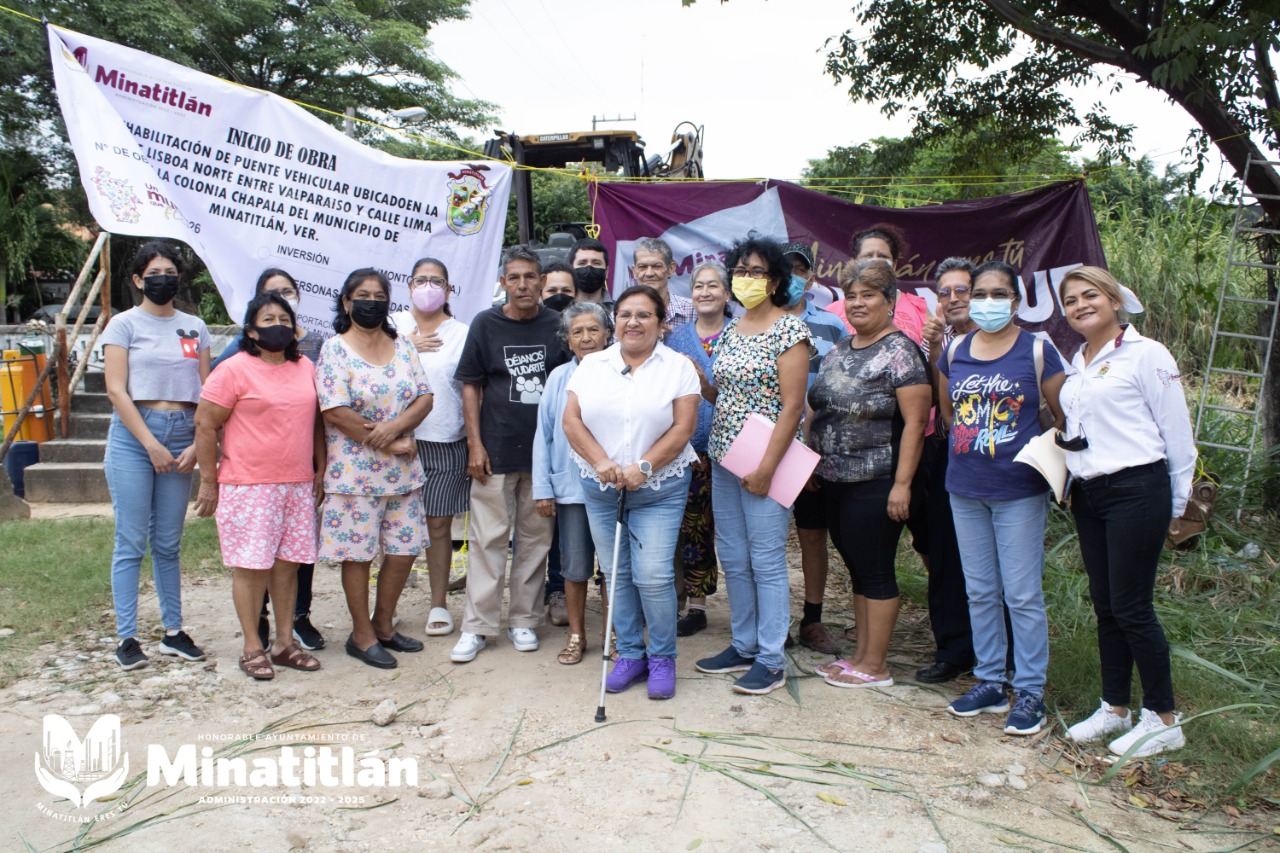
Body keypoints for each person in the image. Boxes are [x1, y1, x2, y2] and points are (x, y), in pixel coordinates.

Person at [1058, 266, 1195, 757]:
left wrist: (1177, 505)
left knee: (1134, 607)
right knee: (1107, 605)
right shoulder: (1079, 360)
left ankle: (1163, 719)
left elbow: (1177, 435)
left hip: (1139, 488)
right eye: (1070, 300)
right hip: (1091, 493)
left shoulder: (1146, 354)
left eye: (1089, 295)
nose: (1079, 305)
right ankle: (1114, 708)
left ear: (1115, 300)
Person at [938, 261, 1065, 735]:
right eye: (980, 294)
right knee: (980, 590)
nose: (988, 302)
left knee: (1023, 593)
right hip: (965, 487)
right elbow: (949, 412)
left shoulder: (1037, 350)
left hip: (1019, 491)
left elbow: (1064, 412)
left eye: (999, 294)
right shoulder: (955, 350)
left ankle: (1030, 689)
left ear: (1016, 300)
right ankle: (990, 680)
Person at [563, 285, 700, 699]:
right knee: (616, 572)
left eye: (644, 315)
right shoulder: (592, 365)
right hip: (601, 486)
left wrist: (644, 467)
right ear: (614, 321)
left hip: (659, 487)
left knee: (654, 575)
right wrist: (600, 460)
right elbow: (572, 422)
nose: (633, 322)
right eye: (625, 314)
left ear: (661, 323)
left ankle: (662, 658)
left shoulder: (678, 367)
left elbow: (683, 429)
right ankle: (631, 655)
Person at [694, 236, 814, 695]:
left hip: (769, 462)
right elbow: (727, 395)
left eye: (757, 271)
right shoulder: (731, 328)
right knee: (735, 557)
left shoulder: (789, 331)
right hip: (727, 458)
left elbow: (791, 408)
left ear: (777, 280)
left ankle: (771, 658)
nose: (747, 279)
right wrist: (703, 382)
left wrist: (766, 467)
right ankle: (743, 645)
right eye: (741, 271)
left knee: (765, 560)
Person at [809, 260, 931, 688]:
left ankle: (876, 666)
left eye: (869, 295)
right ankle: (860, 655)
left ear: (890, 301)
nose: (858, 303)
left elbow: (915, 423)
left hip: (878, 480)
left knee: (876, 568)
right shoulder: (843, 347)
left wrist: (902, 484)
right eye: (852, 295)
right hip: (835, 479)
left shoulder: (901, 352)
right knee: (858, 567)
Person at [194, 292, 324, 679]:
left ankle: (284, 642)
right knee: (251, 568)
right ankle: (253, 645)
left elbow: (317, 422)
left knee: (287, 568)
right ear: (250, 330)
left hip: (297, 485)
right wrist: (208, 482)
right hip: (249, 486)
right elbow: (205, 423)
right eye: (267, 320)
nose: (277, 325)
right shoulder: (233, 370)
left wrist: (321, 469)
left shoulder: (306, 369)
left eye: (284, 318)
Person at [451, 246, 569, 663]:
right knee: (488, 541)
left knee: (536, 543)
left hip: (543, 456)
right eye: (514, 277)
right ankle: (477, 627)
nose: (523, 284)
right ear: (503, 281)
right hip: (494, 452)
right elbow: (470, 384)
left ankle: (523, 620)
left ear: (542, 281)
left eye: (530, 277)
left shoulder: (558, 325)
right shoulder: (486, 323)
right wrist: (474, 443)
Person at [101, 240, 211, 670]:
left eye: (170, 272)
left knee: (168, 542)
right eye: (154, 274)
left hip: (183, 434)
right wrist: (150, 443)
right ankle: (127, 637)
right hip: (135, 437)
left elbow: (208, 392)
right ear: (137, 280)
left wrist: (195, 448)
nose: (162, 279)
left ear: (178, 278)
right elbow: (115, 389)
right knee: (131, 541)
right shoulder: (123, 326)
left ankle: (173, 632)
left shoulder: (194, 327)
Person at [316, 268, 433, 669]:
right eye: (361, 295)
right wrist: (387, 439)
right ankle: (361, 635)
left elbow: (424, 397)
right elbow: (335, 410)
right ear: (347, 302)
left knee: (403, 551)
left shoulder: (402, 345)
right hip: (355, 475)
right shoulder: (334, 349)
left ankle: (384, 625)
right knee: (358, 555)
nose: (371, 301)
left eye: (378, 295)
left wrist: (397, 429)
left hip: (402, 472)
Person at [390, 257, 471, 639]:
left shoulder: (462, 332)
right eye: (421, 279)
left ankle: (438, 603)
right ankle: (384, 607)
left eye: (436, 280)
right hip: (392, 441)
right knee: (394, 528)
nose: (428, 286)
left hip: (444, 440)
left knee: (437, 526)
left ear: (448, 290)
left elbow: (469, 388)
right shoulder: (390, 328)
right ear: (408, 286)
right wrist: (406, 347)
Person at [533, 301, 613, 664]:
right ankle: (576, 635)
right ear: (568, 339)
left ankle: (614, 634)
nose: (586, 338)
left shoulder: (622, 372)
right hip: (571, 491)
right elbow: (544, 435)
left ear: (607, 334)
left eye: (593, 330)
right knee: (575, 567)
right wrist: (543, 488)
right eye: (577, 331)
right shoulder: (558, 378)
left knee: (613, 567)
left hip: (613, 487)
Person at [914, 257, 979, 683]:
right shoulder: (941, 343)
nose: (953, 299)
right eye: (945, 292)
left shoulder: (1019, 343)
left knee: (994, 564)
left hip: (1000, 465)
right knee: (944, 554)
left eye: (963, 290)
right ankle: (953, 650)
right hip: (947, 452)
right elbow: (945, 410)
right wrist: (936, 349)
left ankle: (1002, 656)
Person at [782, 242, 849, 655]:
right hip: (764, 445)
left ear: (809, 277)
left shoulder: (832, 327)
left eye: (798, 269)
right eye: (783, 268)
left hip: (814, 448)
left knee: (811, 536)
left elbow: (843, 387)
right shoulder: (753, 323)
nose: (791, 276)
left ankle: (812, 618)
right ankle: (767, 621)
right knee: (763, 540)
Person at [665, 261, 732, 636]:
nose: (705, 292)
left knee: (738, 531)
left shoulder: (741, 334)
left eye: (713, 286)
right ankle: (697, 603)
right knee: (694, 529)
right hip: (690, 451)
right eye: (698, 286)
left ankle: (749, 608)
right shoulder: (676, 338)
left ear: (726, 293)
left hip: (736, 449)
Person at [824, 224, 928, 344]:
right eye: (868, 256)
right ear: (855, 262)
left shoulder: (918, 309)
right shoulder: (832, 312)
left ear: (894, 265)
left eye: (882, 256)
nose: (875, 261)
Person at [631, 238, 696, 330]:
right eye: (642, 267)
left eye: (657, 266)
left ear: (671, 269)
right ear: (634, 271)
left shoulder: (692, 310)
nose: (649, 273)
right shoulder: (621, 314)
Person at [569, 237, 611, 307]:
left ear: (606, 272)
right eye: (582, 263)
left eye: (596, 263)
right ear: (570, 269)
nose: (589, 268)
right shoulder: (560, 310)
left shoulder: (619, 310)